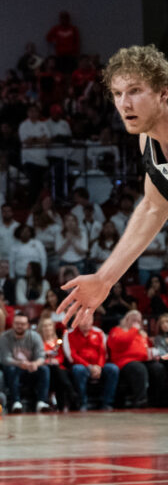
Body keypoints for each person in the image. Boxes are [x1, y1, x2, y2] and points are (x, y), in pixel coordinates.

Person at [60, 45, 168, 329]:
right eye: (118, 94)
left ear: (163, 93)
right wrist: (104, 278)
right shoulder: (148, 139)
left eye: (134, 91)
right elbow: (154, 207)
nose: (124, 103)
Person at [107, 309, 165, 408]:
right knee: (139, 369)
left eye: (138, 321)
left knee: (158, 368)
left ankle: (157, 401)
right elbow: (119, 343)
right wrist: (133, 330)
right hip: (125, 362)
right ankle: (140, 401)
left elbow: (148, 348)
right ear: (126, 319)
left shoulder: (141, 334)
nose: (136, 323)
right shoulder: (117, 330)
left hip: (143, 360)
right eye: (134, 320)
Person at [0, 312, 49, 412]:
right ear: (13, 324)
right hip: (14, 368)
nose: (19, 326)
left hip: (31, 368)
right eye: (17, 323)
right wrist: (20, 364)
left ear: (28, 325)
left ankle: (41, 402)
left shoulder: (35, 336)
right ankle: (16, 402)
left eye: (22, 324)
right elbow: (5, 358)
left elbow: (41, 356)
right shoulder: (5, 337)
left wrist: (35, 364)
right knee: (11, 369)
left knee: (44, 369)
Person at [65, 318, 118, 411]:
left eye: (88, 320)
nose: (86, 322)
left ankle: (107, 403)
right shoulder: (69, 334)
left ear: (92, 321)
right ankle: (83, 403)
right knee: (78, 370)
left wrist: (99, 367)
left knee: (113, 369)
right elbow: (72, 356)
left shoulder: (99, 333)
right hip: (82, 366)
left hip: (98, 365)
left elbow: (103, 352)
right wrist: (89, 367)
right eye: (83, 320)